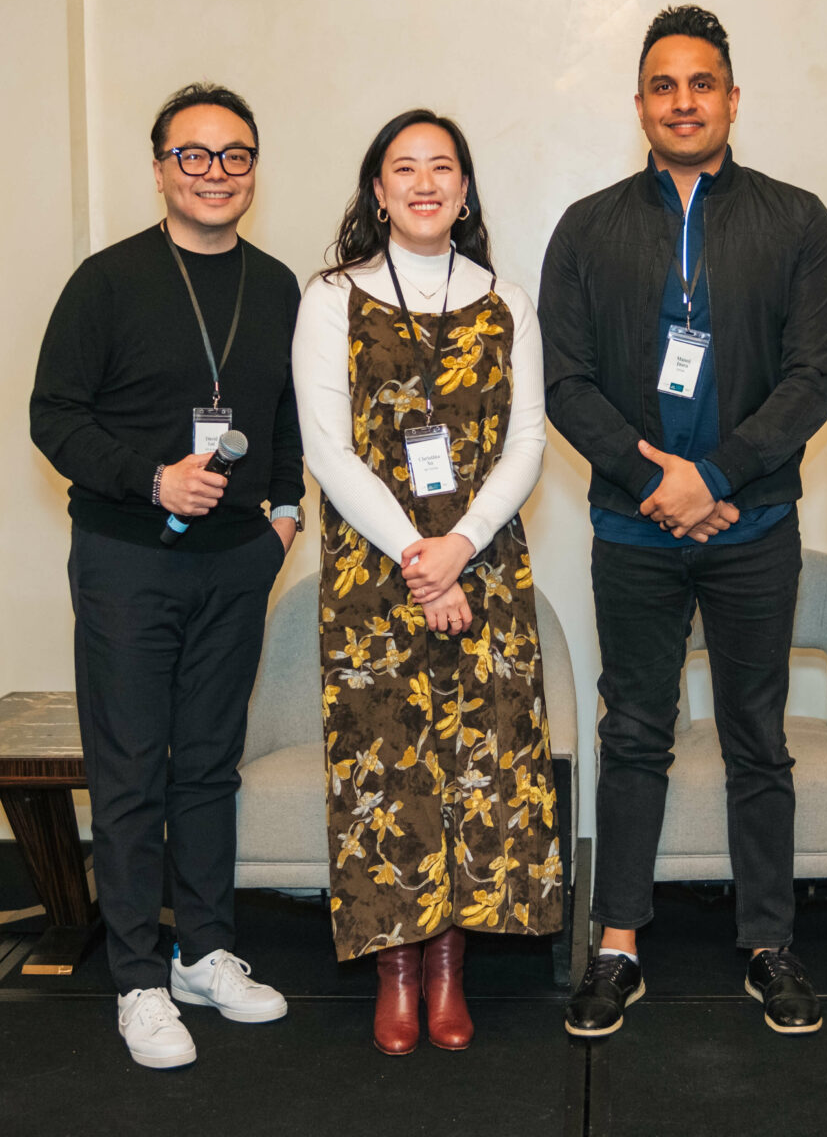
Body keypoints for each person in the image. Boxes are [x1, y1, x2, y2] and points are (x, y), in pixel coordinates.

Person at [541, 5, 827, 1039]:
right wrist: (651, 478)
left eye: (702, 82)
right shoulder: (587, 227)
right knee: (635, 733)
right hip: (633, 532)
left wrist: (715, 473)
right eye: (664, 85)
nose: (684, 100)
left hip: (753, 523)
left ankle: (769, 942)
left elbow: (814, 378)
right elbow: (566, 381)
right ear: (638, 103)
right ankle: (618, 943)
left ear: (731, 96)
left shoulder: (798, 220)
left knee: (759, 738)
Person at [29, 83, 302, 1069]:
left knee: (208, 766)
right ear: (159, 167)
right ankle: (140, 978)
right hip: (126, 558)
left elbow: (282, 424)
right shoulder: (105, 282)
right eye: (195, 155)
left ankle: (206, 950)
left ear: (253, 170)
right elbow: (54, 417)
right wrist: (151, 478)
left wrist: (282, 518)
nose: (216, 172)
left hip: (237, 564)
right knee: (132, 770)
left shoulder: (277, 288)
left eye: (235, 155)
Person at [293, 108, 562, 1055]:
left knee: (482, 765)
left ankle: (452, 967)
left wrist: (464, 544)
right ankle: (395, 972)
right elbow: (326, 450)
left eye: (441, 166)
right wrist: (421, 554)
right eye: (402, 168)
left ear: (465, 186)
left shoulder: (506, 300)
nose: (423, 182)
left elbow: (528, 440)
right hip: (375, 577)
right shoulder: (334, 296)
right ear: (376, 188)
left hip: (485, 568)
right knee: (388, 769)